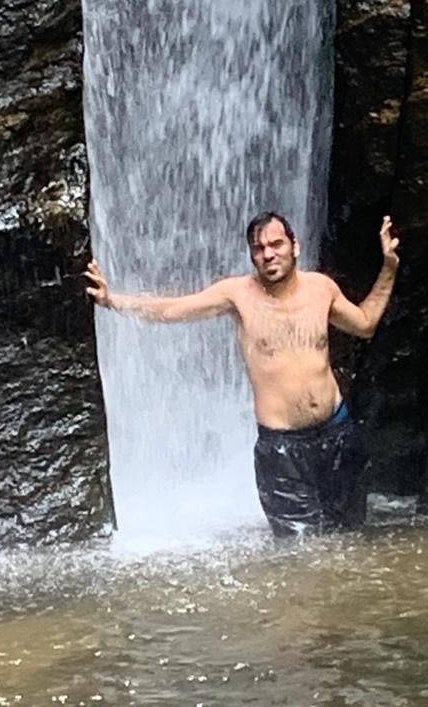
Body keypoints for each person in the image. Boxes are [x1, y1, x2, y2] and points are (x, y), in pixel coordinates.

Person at [85, 212, 399, 537]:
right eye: (259, 248)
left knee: (350, 539)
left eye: (276, 244)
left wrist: (389, 266)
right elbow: (173, 309)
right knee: (301, 554)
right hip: (282, 450)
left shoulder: (322, 288)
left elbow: (365, 324)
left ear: (295, 247)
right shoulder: (237, 295)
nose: (268, 254)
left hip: (338, 433)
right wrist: (113, 300)